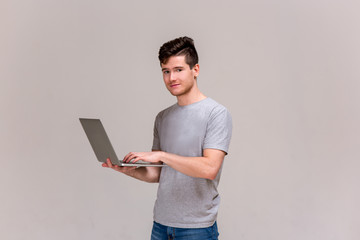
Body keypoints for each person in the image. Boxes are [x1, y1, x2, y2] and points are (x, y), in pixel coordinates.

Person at [102, 36, 232, 240]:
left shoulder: (216, 113)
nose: (172, 78)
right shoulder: (163, 118)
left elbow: (209, 168)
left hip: (196, 228)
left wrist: (163, 155)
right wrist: (127, 170)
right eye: (166, 71)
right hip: (161, 225)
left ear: (195, 70)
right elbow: (157, 174)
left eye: (178, 69)